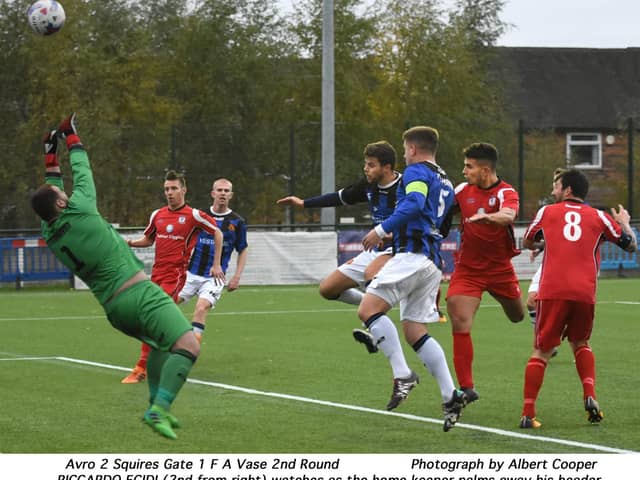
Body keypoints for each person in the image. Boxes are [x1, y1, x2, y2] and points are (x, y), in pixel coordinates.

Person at [30, 113, 201, 439]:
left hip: (114, 308)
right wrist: (71, 137)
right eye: (62, 196)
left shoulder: (49, 229)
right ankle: (159, 409)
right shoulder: (80, 207)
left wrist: (50, 155)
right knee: (188, 345)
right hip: (138, 294)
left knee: (160, 345)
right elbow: (82, 171)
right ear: (64, 203)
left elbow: (51, 189)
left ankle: (156, 402)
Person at [358, 126, 466, 431]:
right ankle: (450, 394)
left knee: (368, 310)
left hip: (412, 256)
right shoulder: (444, 179)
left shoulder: (416, 172)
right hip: (432, 260)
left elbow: (415, 203)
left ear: (414, 149)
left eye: (405, 150)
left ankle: (403, 374)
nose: (404, 155)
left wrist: (381, 230)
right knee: (414, 331)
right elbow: (442, 220)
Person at [520, 169, 637, 428]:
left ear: (568, 190)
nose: (553, 191)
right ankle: (590, 397)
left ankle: (528, 413)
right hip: (584, 292)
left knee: (541, 351)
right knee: (581, 342)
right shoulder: (600, 217)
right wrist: (625, 222)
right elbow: (630, 245)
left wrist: (545, 242)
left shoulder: (547, 212)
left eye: (556, 186)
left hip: (552, 291)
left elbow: (528, 241)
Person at [121, 170, 224, 383]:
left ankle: (142, 367)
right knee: (153, 319)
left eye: (174, 188)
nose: (170, 192)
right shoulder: (157, 215)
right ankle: (182, 346)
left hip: (175, 277)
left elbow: (218, 232)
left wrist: (216, 264)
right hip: (156, 275)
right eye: (167, 189)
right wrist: (128, 243)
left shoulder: (193, 215)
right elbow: (148, 240)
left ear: (183, 190)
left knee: (152, 317)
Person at [446, 142, 525, 404]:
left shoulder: (506, 192)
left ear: (485, 169)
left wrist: (489, 217)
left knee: (517, 316)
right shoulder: (461, 190)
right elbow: (439, 211)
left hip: (500, 270)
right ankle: (467, 388)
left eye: (469, 166)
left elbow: (508, 214)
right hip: (468, 270)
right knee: (459, 319)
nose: (464, 171)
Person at [276, 141, 401, 307]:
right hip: (376, 250)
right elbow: (337, 198)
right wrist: (303, 203)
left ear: (387, 167)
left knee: (371, 278)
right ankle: (369, 304)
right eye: (365, 164)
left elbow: (420, 217)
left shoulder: (405, 187)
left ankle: (375, 314)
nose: (365, 169)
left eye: (371, 165)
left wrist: (394, 233)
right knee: (327, 289)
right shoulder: (368, 185)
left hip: (400, 249)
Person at [178, 178, 248, 342]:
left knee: (201, 308)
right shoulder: (199, 215)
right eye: (219, 190)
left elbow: (242, 249)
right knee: (168, 303)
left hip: (215, 278)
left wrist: (237, 276)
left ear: (231, 195)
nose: (222, 193)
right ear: (213, 193)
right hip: (190, 273)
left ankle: (191, 349)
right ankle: (169, 338)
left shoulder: (237, 221)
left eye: (226, 191)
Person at [526, 168, 567, 358]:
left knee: (570, 312)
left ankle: (547, 341)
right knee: (532, 301)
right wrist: (541, 247)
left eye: (556, 186)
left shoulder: (580, 211)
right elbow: (555, 238)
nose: (552, 191)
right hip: (550, 263)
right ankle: (546, 341)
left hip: (569, 268)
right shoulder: (551, 211)